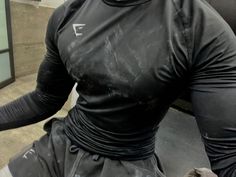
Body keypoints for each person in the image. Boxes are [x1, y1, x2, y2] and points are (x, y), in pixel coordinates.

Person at [0, 0, 236, 176]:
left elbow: (228, 153)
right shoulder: (69, 13)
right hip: (62, 142)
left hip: (128, 163)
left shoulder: (199, 28)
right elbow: (45, 97)